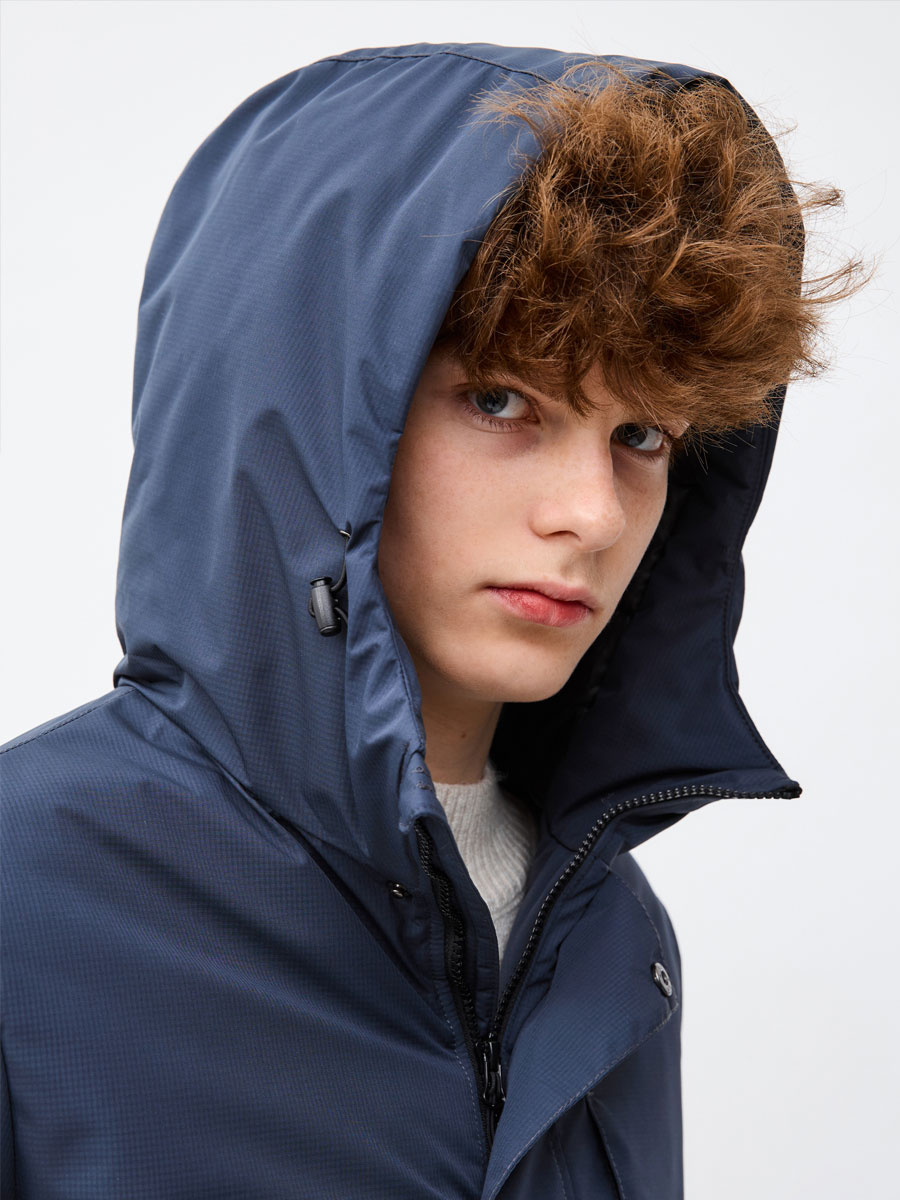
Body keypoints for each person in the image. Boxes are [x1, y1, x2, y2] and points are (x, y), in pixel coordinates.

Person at [0, 41, 865, 1198]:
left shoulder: (611, 937)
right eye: (502, 401)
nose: (592, 513)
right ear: (303, 409)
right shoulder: (28, 892)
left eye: (642, 437)